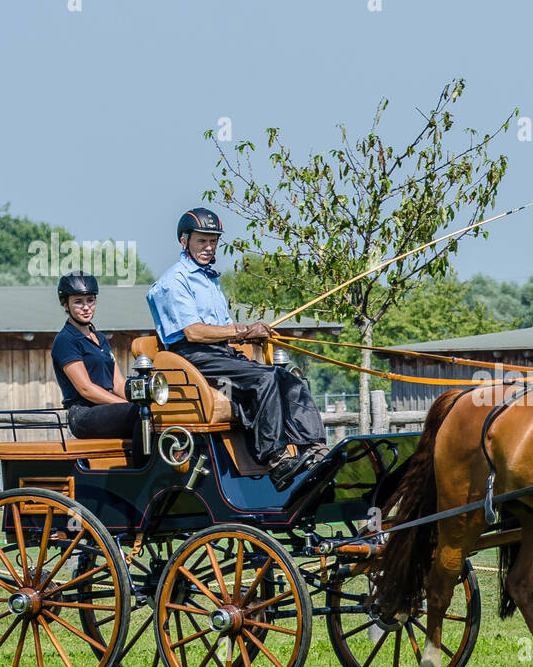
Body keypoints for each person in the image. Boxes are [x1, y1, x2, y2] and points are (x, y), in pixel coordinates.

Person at [146, 207, 328, 491]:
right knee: (264, 379)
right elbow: (193, 332)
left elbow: (223, 329)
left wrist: (250, 336)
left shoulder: (208, 279)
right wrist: (242, 330)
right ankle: (276, 459)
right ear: (185, 241)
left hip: (219, 354)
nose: (208, 247)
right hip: (193, 358)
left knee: (288, 377)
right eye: (201, 241)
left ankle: (314, 450)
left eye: (213, 241)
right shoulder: (174, 281)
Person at [51, 271, 139, 440]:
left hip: (107, 409)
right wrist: (127, 405)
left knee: (152, 411)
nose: (86, 307)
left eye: (90, 300)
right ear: (65, 305)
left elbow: (119, 384)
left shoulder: (100, 339)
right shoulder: (66, 340)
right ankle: (143, 465)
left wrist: (142, 400)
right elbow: (86, 389)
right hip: (84, 414)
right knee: (138, 414)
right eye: (78, 302)